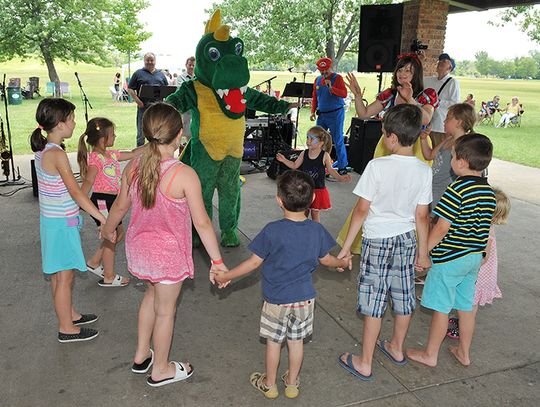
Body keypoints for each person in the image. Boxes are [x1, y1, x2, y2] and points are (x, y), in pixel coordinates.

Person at [101, 102, 226, 387]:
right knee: (166, 310)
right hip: (168, 257)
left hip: (140, 251)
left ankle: (142, 354)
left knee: (150, 297)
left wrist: (107, 229)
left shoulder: (133, 166)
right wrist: (217, 262)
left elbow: (120, 207)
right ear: (180, 134)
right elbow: (203, 223)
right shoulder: (183, 174)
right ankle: (160, 369)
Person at [212, 170, 351, 399]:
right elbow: (326, 260)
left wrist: (226, 276)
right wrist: (342, 262)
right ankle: (292, 383)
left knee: (274, 343)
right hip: (304, 300)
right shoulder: (317, 230)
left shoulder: (272, 231)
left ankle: (270, 384)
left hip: (276, 300)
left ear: (279, 200)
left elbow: (253, 263)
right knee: (296, 343)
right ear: (313, 199)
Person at [336, 104, 432, 381]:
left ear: (391, 137)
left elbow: (362, 210)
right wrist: (423, 253)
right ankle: (397, 348)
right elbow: (422, 216)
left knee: (374, 300)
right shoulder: (423, 171)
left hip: (377, 240)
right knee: (403, 296)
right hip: (406, 240)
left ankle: (364, 361)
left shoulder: (377, 166)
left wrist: (345, 248)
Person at [407, 134, 496, 367]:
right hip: (474, 258)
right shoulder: (488, 192)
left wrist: (423, 252)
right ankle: (464, 353)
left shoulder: (456, 190)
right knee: (465, 307)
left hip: (449, 259)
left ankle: (430, 354)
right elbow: (485, 229)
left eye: (454, 156)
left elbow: (441, 228)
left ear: (462, 162)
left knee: (441, 308)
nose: (452, 160)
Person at [337, 54, 437, 255]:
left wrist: (409, 99)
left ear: (416, 74)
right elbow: (364, 113)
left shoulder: (426, 94)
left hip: (415, 145)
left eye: (408, 70)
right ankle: (370, 236)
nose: (403, 74)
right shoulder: (389, 94)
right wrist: (357, 94)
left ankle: (412, 245)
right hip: (388, 144)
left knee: (410, 195)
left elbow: (425, 119)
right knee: (377, 191)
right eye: (400, 69)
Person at [31, 98, 107, 343]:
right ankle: (66, 328)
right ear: (60, 124)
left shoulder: (43, 149)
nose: (75, 122)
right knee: (65, 277)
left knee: (58, 275)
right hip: (62, 225)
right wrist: (101, 217)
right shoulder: (57, 154)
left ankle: (70, 315)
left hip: (51, 223)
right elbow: (76, 193)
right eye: (72, 118)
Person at [77, 117, 145, 287]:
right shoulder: (95, 159)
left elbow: (134, 153)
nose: (115, 137)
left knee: (117, 234)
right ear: (102, 139)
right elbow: (87, 182)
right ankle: (109, 276)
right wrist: (80, 202)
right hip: (102, 201)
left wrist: (152, 144)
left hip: (113, 201)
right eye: (112, 134)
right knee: (111, 238)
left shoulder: (112, 154)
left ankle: (94, 262)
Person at [446, 187, 510, 339]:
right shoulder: (486, 225)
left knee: (470, 305)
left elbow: (484, 257)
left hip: (478, 274)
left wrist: (465, 264)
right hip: (477, 272)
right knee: (466, 302)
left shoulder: (486, 231)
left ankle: (463, 328)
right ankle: (462, 321)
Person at [276, 126, 351, 223]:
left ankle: (316, 233)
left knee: (315, 215)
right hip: (305, 189)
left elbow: (331, 170)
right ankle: (303, 231)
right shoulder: (304, 153)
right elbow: (294, 165)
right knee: (303, 214)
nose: (308, 141)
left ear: (321, 143)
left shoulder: (325, 155)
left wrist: (340, 178)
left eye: (312, 139)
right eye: (307, 138)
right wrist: (284, 160)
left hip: (318, 190)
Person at [419, 103, 477, 211]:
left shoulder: (464, 145)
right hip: (432, 188)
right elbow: (429, 155)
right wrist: (423, 139)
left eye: (448, 118)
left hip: (444, 193)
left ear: (459, 122)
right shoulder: (448, 139)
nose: (444, 121)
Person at [310, 57, 348, 174]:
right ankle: (316, 164)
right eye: (322, 70)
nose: (324, 72)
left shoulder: (338, 78)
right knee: (316, 138)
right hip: (322, 115)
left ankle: (342, 166)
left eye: (326, 70)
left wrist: (332, 88)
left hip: (336, 113)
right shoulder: (317, 80)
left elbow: (344, 94)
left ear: (330, 67)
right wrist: (312, 111)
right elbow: (315, 97)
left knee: (337, 139)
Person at [127, 52, 168, 147]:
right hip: (143, 107)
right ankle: (139, 157)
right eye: (147, 60)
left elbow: (166, 88)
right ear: (144, 61)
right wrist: (138, 101)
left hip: (158, 108)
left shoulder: (161, 74)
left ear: (155, 61)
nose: (149, 62)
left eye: (151, 60)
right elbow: (130, 88)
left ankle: (155, 153)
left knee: (157, 132)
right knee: (141, 133)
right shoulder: (138, 73)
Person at [423, 53, 460, 147]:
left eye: (444, 61)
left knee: (437, 151)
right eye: (440, 61)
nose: (441, 63)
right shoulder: (428, 80)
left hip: (439, 125)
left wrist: (437, 101)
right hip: (426, 124)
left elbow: (455, 104)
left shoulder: (453, 82)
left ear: (450, 67)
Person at [176, 56, 196, 141]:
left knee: (194, 131)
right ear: (186, 65)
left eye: (193, 65)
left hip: (195, 108)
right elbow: (181, 90)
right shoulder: (180, 78)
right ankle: (183, 149)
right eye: (190, 65)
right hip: (185, 108)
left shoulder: (198, 78)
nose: (191, 67)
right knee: (185, 130)